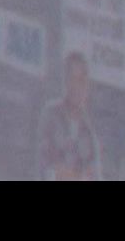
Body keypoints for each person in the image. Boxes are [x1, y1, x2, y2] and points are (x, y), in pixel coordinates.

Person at [40, 51, 101, 180]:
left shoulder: (90, 132)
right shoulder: (50, 115)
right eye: (71, 78)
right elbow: (45, 167)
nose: (76, 86)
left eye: (81, 80)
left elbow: (93, 175)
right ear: (65, 81)